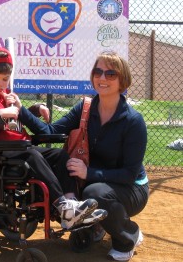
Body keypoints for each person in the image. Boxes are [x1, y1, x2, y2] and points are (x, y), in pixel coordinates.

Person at [16, 51, 149, 261]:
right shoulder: (85, 108)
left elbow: (130, 174)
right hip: (93, 180)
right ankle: (96, 226)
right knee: (59, 172)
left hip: (131, 188)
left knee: (94, 193)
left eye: (110, 73)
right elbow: (50, 133)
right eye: (98, 71)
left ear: (122, 80)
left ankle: (128, 236)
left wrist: (89, 172)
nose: (102, 78)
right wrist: (21, 111)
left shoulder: (133, 121)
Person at [0, 46, 107, 230]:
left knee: (61, 156)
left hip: (19, 148)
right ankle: (63, 206)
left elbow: (14, 122)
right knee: (32, 155)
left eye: (5, 79)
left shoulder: (5, 96)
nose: (1, 83)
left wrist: (33, 110)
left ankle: (71, 206)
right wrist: (0, 115)